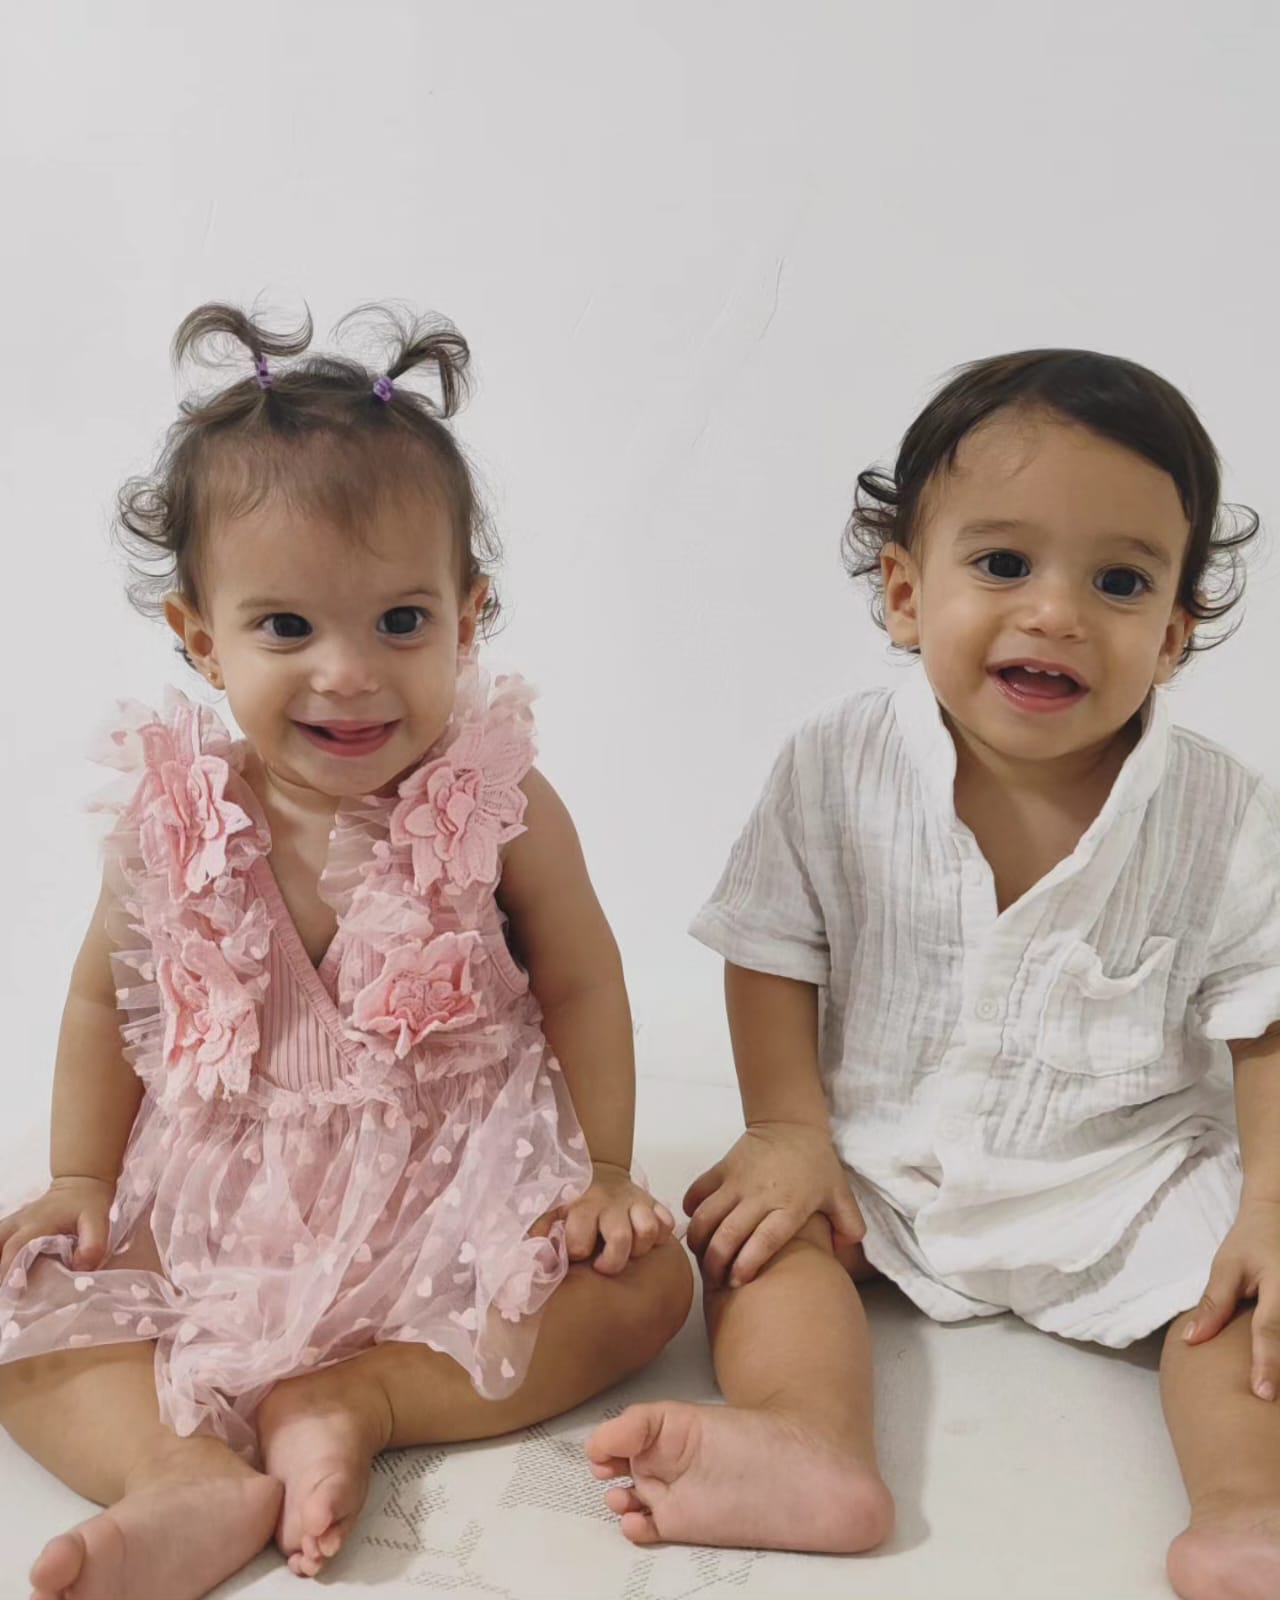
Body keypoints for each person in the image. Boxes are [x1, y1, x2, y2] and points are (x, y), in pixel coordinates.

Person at [0, 302, 692, 1600]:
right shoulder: (173, 819)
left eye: (399, 621)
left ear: (468, 617)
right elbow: (100, 1003)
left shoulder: (498, 802)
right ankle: (178, 1473)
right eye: (286, 628)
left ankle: (358, 1400)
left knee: (647, 1285)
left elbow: (585, 980)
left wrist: (603, 1171)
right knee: (24, 1303)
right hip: (222, 1195)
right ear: (199, 637)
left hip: (454, 1180)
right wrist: (81, 1178)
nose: (348, 673)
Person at [586, 349, 1280, 1600]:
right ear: (905, 593)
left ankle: (1249, 1511)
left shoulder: (1218, 811)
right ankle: (808, 1440)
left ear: (1172, 636)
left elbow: (1261, 1014)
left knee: (1241, 1303)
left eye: (1118, 582)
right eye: (1002, 563)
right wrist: (787, 1129)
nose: (1055, 613)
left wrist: (1269, 1203)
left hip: (1125, 1175)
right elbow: (771, 944)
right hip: (874, 1158)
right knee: (759, 1243)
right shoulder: (836, 763)